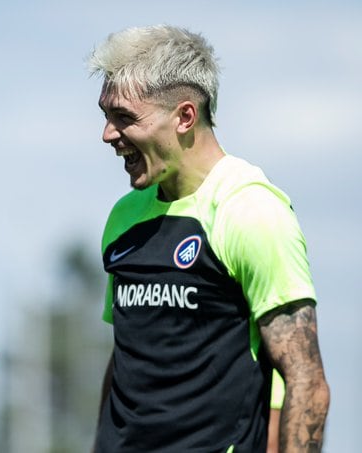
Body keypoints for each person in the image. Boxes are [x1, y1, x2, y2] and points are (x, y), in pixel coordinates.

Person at [89, 25, 329, 452]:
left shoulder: (250, 211)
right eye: (105, 115)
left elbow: (305, 381)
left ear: (185, 116)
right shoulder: (124, 217)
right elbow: (125, 360)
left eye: (124, 117)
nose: (107, 134)